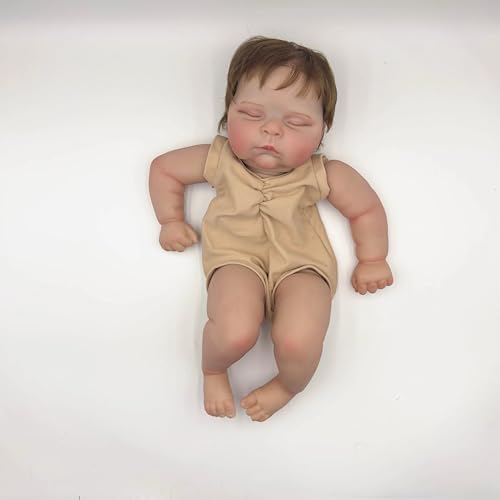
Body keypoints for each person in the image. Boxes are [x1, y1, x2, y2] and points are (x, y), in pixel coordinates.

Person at [148, 36, 394, 422]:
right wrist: (170, 220)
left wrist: (373, 259)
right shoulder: (220, 159)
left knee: (299, 339)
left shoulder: (322, 173)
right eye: (251, 114)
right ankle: (213, 369)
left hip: (303, 265)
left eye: (296, 122)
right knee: (234, 330)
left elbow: (365, 209)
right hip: (236, 260)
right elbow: (164, 169)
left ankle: (287, 385)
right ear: (228, 112)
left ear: (322, 131)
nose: (271, 130)